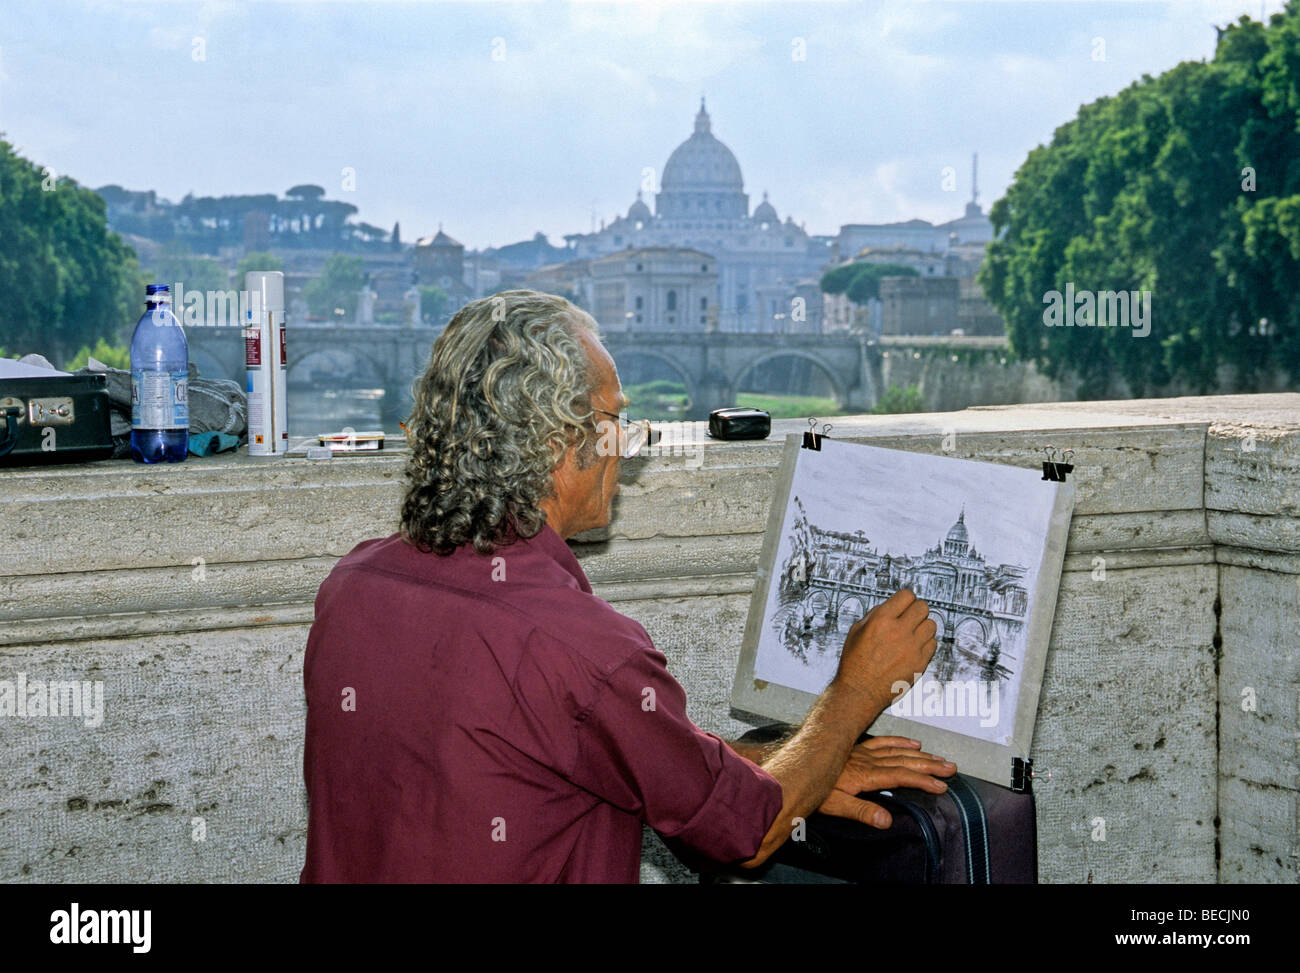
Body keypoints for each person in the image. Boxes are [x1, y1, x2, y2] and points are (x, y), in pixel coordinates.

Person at [299, 289, 954, 883]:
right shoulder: (583, 649)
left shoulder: (353, 586)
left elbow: (560, 748)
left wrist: (794, 756)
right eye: (616, 423)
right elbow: (747, 833)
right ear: (556, 445)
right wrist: (853, 695)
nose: (628, 449)